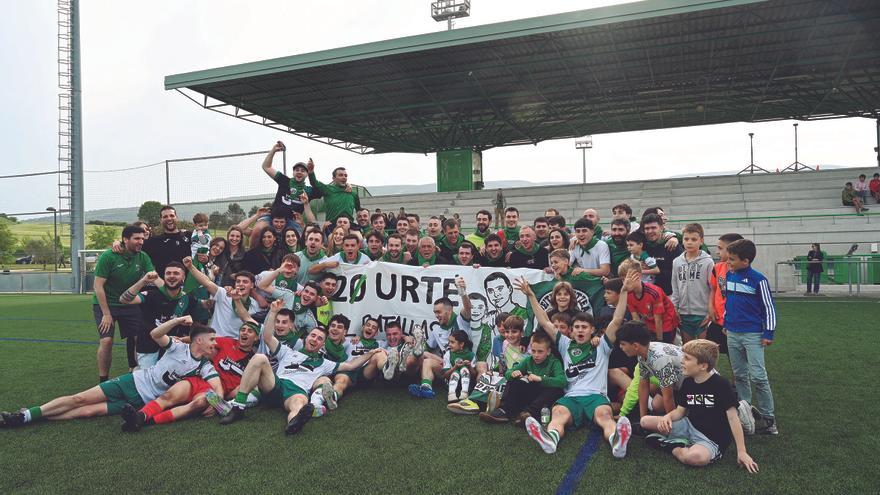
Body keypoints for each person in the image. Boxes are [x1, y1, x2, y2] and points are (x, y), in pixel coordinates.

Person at [0, 316, 219, 428]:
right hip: (132, 382)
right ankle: (24, 415)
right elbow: (155, 334)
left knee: (87, 412)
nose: (215, 344)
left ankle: (40, 416)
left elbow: (216, 387)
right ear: (198, 339)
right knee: (80, 398)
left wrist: (214, 402)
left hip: (141, 402)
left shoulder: (204, 366)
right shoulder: (177, 346)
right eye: (212, 339)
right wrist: (179, 320)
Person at [216, 302, 381, 434]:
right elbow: (267, 337)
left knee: (300, 403)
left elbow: (351, 365)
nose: (315, 339)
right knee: (260, 358)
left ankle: (294, 423)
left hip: (296, 391)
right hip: (277, 384)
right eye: (313, 336)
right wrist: (273, 312)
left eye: (319, 339)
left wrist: (371, 354)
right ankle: (238, 406)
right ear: (307, 337)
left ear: (322, 344)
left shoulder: (325, 363)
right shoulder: (288, 352)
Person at [517, 272, 633, 457]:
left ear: (592, 330)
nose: (580, 330)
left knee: (604, 415)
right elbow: (545, 322)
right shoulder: (564, 344)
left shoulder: (603, 345)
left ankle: (617, 442)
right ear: (571, 331)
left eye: (584, 327)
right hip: (571, 397)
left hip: (596, 396)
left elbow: (617, 320)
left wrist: (625, 292)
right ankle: (550, 439)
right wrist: (531, 295)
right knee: (558, 413)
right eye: (577, 327)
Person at [641, 339, 759, 473]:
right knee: (645, 421)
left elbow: (733, 418)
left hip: (711, 439)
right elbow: (680, 411)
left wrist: (742, 451)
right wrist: (667, 417)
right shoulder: (688, 383)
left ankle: (672, 446)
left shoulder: (721, 384)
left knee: (694, 457)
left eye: (687, 358)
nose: (681, 361)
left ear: (703, 366)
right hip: (689, 426)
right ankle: (683, 440)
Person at [123, 319, 259, 431]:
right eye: (243, 330)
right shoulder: (228, 342)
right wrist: (181, 340)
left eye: (250, 331)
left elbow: (244, 388)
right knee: (168, 397)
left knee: (198, 404)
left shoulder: (254, 361)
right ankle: (140, 416)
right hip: (199, 379)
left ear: (256, 337)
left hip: (213, 389)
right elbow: (202, 339)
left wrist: (218, 403)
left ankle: (145, 422)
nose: (244, 333)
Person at [724, 239, 778, 435]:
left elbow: (769, 308)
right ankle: (745, 413)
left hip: (753, 334)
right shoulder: (730, 275)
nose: (728, 262)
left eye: (732, 259)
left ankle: (768, 419)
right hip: (732, 332)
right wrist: (726, 322)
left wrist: (768, 333)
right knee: (739, 375)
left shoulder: (759, 280)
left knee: (759, 377)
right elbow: (729, 301)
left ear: (745, 261)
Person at [93, 224, 153, 382]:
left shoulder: (143, 257)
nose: (141, 241)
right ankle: (103, 380)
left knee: (137, 337)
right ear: (126, 240)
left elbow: (153, 277)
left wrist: (168, 292)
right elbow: (98, 286)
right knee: (106, 341)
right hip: (106, 304)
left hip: (129, 303)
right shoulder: (109, 256)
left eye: (142, 238)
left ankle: (134, 373)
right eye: (137, 238)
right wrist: (106, 314)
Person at [119, 262, 197, 368]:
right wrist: (143, 281)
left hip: (172, 347)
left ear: (183, 277)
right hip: (148, 346)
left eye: (176, 273)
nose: (171, 276)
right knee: (148, 380)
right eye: (168, 273)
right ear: (164, 276)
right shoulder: (151, 294)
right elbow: (124, 299)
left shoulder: (188, 298)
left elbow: (207, 304)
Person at [479, 331, 565, 427]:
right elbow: (508, 373)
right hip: (531, 395)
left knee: (555, 391)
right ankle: (504, 411)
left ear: (548, 351)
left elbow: (562, 381)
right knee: (514, 381)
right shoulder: (529, 360)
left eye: (540, 351)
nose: (536, 355)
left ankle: (527, 415)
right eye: (533, 351)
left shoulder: (554, 362)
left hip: (543, 399)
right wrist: (513, 373)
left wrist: (541, 379)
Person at [408, 280, 472, 398]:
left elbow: (467, 309)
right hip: (446, 367)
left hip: (464, 365)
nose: (436, 315)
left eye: (439, 312)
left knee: (427, 355)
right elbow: (425, 348)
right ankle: (426, 389)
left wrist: (462, 292)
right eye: (435, 312)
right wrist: (414, 345)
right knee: (425, 358)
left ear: (449, 311)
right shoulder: (436, 330)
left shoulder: (460, 321)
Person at [616, 318, 684, 417]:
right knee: (656, 405)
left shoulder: (660, 360)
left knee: (686, 409)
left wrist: (672, 423)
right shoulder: (643, 352)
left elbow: (668, 397)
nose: (621, 347)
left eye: (623, 344)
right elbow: (643, 385)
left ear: (635, 346)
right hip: (678, 388)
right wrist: (643, 418)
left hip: (696, 390)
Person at [183, 256, 260, 338]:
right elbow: (207, 283)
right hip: (215, 340)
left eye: (245, 282)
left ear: (252, 285)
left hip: (236, 344)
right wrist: (191, 267)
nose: (241, 284)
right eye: (238, 281)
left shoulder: (255, 305)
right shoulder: (224, 294)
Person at [670, 223, 714, 342]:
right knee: (687, 349)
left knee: (705, 349)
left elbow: (713, 288)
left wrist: (710, 311)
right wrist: (675, 308)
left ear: (701, 241)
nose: (689, 242)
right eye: (686, 239)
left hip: (702, 313)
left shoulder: (708, 262)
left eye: (694, 239)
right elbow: (675, 288)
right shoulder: (676, 262)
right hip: (683, 313)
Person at [620, 260, 679, 343]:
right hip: (649, 324)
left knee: (663, 347)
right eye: (623, 279)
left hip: (666, 324)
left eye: (627, 278)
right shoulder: (628, 294)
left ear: (638, 276)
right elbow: (635, 318)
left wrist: (659, 341)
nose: (625, 282)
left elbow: (658, 320)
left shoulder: (654, 292)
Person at [707, 233, 743, 353]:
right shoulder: (717, 268)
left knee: (735, 356)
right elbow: (713, 289)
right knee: (709, 353)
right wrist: (711, 307)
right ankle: (712, 372)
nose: (717, 252)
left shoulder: (743, 272)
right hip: (717, 320)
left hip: (734, 323)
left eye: (720, 248)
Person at [141, 205, 192, 277]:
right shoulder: (153, 242)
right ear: (161, 220)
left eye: (172, 215)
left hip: (189, 285)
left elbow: (207, 248)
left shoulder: (190, 236)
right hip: (164, 286)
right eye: (165, 217)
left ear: (176, 218)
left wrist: (206, 258)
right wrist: (120, 244)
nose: (169, 218)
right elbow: (133, 247)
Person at [307, 159, 361, 226]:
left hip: (349, 228)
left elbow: (359, 211)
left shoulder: (353, 194)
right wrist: (311, 172)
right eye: (340, 175)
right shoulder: (328, 189)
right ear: (333, 178)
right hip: (331, 228)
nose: (344, 177)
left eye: (345, 175)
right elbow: (315, 183)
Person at [641, 213, 683, 295]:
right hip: (648, 295)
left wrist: (653, 271)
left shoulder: (672, 245)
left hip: (669, 294)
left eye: (653, 228)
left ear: (661, 228)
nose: (650, 231)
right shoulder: (642, 245)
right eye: (647, 228)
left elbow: (679, 273)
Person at [441, 330, 476, 403]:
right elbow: (445, 375)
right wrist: (455, 367)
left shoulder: (471, 355)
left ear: (461, 344)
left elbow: (474, 375)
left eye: (452, 342)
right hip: (451, 382)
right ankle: (451, 394)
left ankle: (464, 393)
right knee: (455, 372)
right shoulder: (448, 354)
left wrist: (469, 366)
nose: (449, 344)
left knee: (464, 369)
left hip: (467, 383)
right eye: (449, 341)